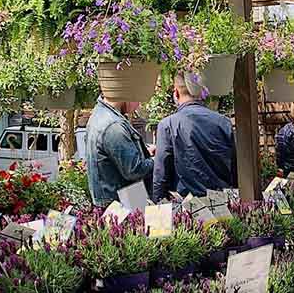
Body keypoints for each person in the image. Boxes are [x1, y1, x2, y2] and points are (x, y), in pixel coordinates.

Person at [153, 72, 237, 201]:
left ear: (176, 93)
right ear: (202, 92)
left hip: (187, 206)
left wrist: (158, 206)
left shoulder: (168, 125)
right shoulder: (224, 122)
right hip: (222, 202)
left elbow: (161, 174)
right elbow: (235, 167)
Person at [86, 98, 155, 207]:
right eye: (138, 98)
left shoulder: (101, 113)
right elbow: (134, 170)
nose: (139, 104)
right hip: (121, 205)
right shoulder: (114, 126)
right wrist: (156, 160)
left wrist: (144, 151)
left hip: (113, 201)